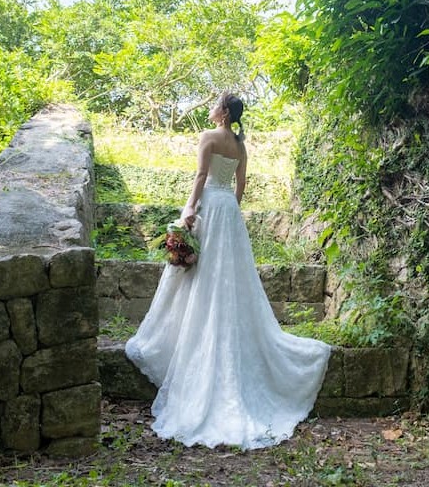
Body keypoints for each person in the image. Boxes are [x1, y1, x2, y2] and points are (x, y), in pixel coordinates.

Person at [125, 92, 331, 449]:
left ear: (221, 112)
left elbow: (202, 175)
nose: (209, 108)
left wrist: (190, 209)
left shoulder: (208, 138)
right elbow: (241, 185)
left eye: (213, 104)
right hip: (229, 213)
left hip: (208, 206)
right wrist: (230, 211)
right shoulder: (240, 144)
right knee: (229, 277)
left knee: (201, 274)